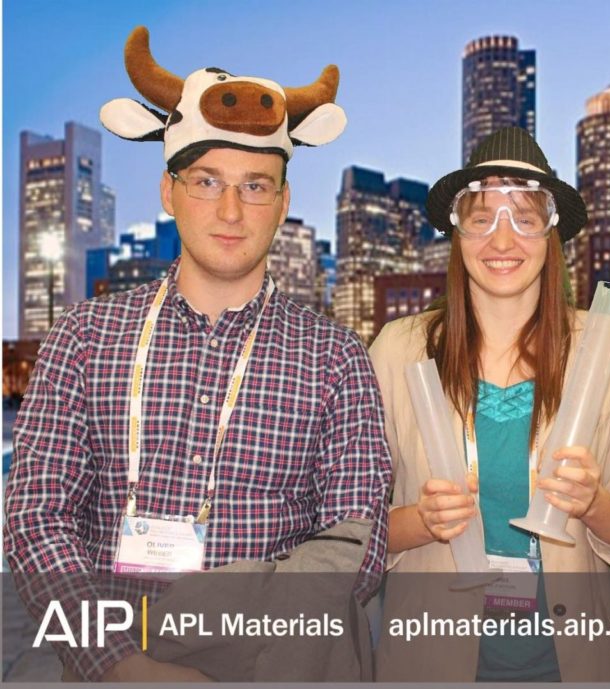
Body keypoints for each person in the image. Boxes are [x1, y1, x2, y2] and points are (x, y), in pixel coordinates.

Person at [3, 27, 392, 681]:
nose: (232, 209)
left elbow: (360, 540)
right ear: (169, 191)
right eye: (208, 180)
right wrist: (125, 664)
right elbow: (35, 513)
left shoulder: (337, 356)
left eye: (257, 185)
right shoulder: (85, 336)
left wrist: (222, 615)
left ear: (284, 203)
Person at [369, 127, 610, 681]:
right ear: (457, 234)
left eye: (524, 217)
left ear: (551, 234)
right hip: (430, 656)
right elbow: (354, 526)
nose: (502, 241)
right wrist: (421, 521)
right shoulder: (398, 350)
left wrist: (592, 502)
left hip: (572, 661)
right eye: (481, 218)